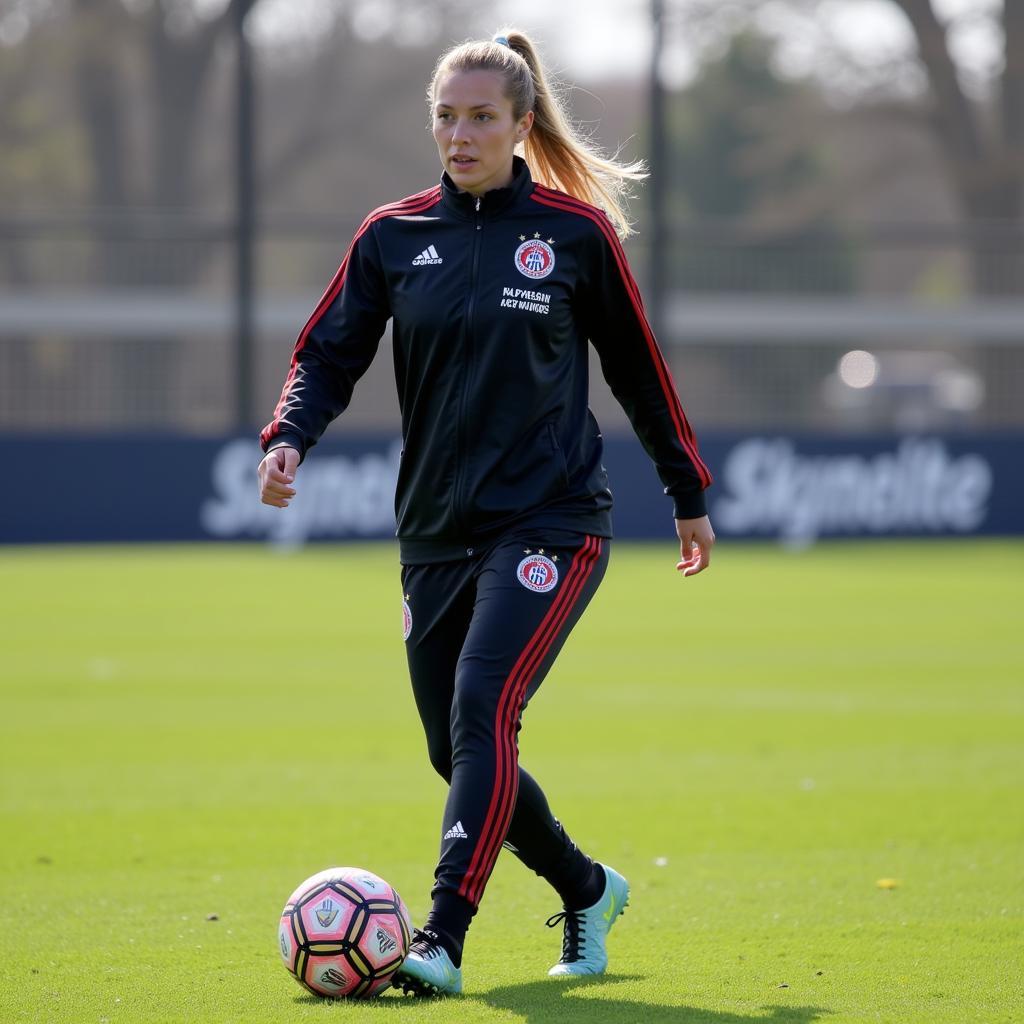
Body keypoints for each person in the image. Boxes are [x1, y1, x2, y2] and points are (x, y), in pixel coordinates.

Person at [257, 28, 715, 998]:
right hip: (432, 531)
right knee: (455, 747)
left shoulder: (574, 236)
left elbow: (639, 371)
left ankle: (443, 937)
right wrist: (289, 433)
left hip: (551, 518)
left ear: (519, 125)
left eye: (480, 118)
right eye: (445, 117)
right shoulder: (391, 235)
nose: (459, 135)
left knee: (481, 707)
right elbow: (327, 351)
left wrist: (686, 493)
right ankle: (588, 888)